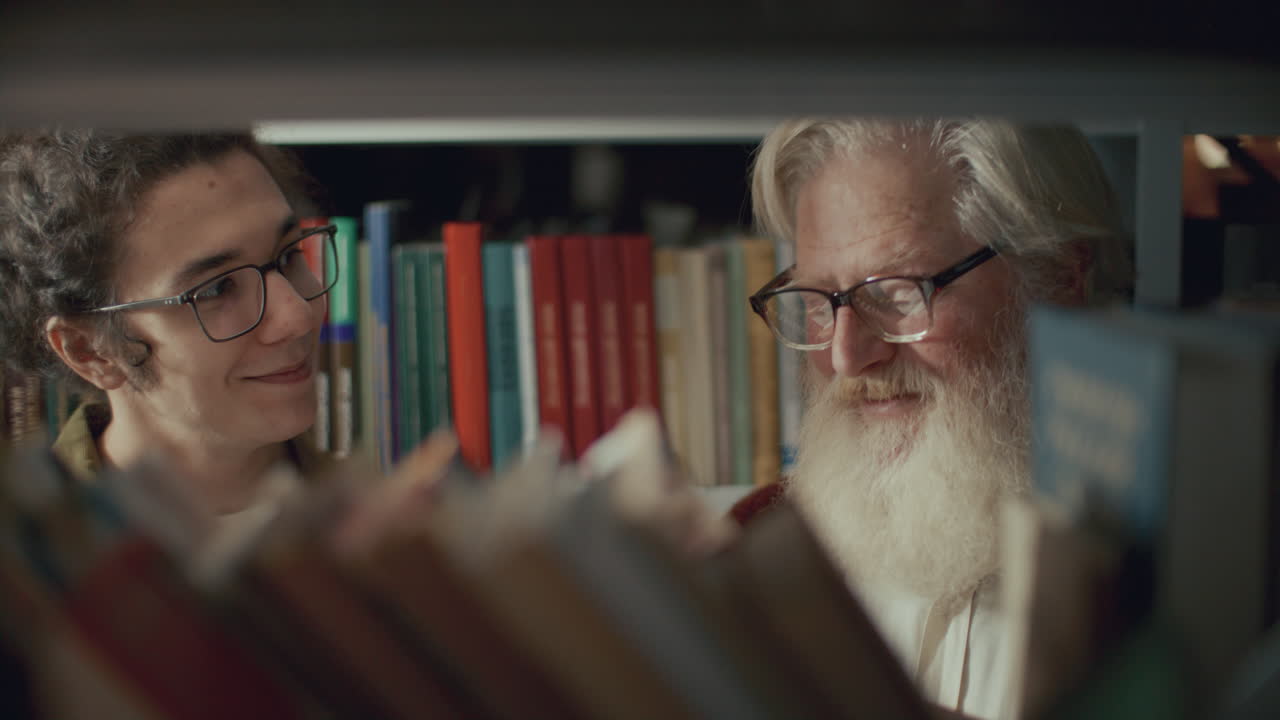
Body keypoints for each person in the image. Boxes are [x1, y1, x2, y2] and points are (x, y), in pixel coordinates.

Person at [737, 118, 1131, 719]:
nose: (845, 356)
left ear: (1058, 279)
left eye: (897, 292)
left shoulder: (1166, 601)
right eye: (820, 301)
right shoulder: (759, 559)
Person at [0, 131, 336, 514]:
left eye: (289, 254)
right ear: (89, 351)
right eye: (217, 288)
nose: (297, 316)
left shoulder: (376, 510)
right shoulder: (35, 548)